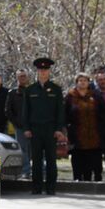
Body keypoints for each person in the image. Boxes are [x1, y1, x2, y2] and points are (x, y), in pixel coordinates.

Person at [18, 57, 66, 195]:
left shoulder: (56, 89)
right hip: (35, 130)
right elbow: (25, 111)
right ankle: (36, 187)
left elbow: (60, 111)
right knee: (36, 160)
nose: (43, 72)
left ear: (49, 71)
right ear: (37, 71)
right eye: (40, 69)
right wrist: (26, 128)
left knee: (51, 160)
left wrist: (58, 129)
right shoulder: (30, 90)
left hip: (51, 130)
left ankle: (51, 187)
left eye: (45, 69)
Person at [63, 73, 104, 182]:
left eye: (85, 80)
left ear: (88, 82)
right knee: (77, 158)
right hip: (76, 134)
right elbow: (64, 114)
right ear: (76, 82)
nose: (82, 82)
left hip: (93, 135)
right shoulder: (70, 96)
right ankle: (77, 179)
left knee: (91, 159)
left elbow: (103, 113)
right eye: (80, 80)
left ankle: (89, 180)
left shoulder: (95, 95)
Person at [9, 70, 32, 179]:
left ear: (27, 77)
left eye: (24, 76)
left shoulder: (33, 91)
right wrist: (16, 122)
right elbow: (8, 110)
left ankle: (38, 171)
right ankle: (26, 171)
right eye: (20, 76)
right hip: (20, 126)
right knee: (22, 149)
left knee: (35, 149)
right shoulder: (13, 93)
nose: (22, 78)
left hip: (34, 125)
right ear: (17, 78)